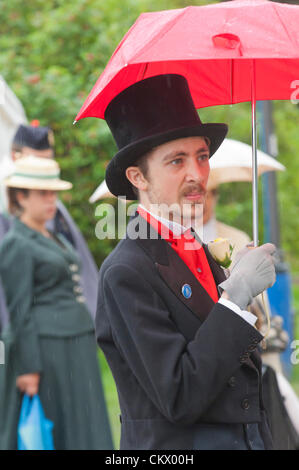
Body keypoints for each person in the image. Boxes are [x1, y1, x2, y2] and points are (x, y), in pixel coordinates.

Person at [95, 74, 277, 450]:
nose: (197, 175)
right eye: (177, 161)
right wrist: (235, 298)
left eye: (202, 156)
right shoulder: (125, 271)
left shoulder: (199, 247)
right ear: (137, 177)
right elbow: (179, 394)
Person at [0, 155, 113, 450]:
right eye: (43, 193)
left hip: (75, 342)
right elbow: (19, 311)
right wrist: (28, 368)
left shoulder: (52, 236)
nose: (52, 200)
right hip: (49, 349)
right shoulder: (16, 243)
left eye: (54, 193)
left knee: (84, 427)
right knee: (59, 430)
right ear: (21, 196)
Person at [202, 184, 299, 449]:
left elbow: (261, 298)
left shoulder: (234, 236)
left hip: (251, 339)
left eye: (212, 195)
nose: (205, 201)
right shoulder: (184, 242)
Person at [0, 123, 99, 323]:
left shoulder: (53, 204)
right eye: (36, 160)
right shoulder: (5, 207)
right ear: (14, 156)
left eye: (48, 161)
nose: (44, 170)